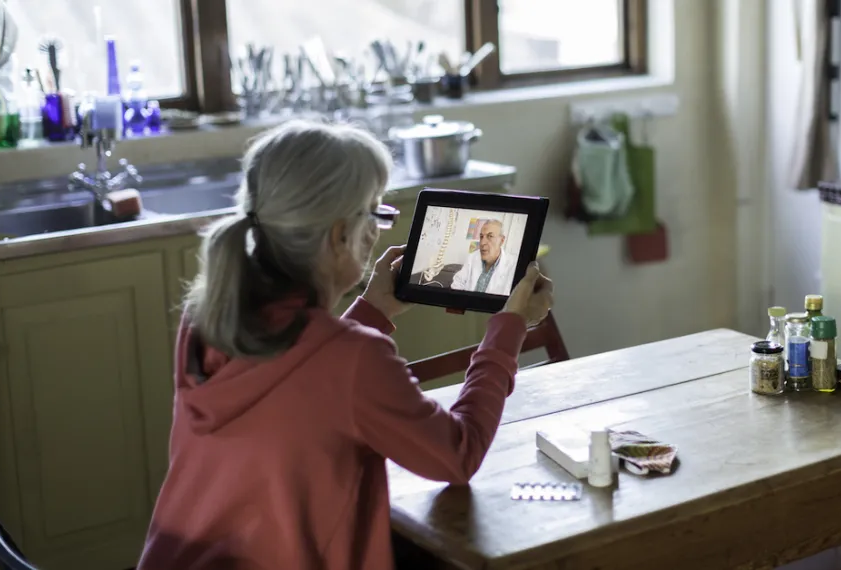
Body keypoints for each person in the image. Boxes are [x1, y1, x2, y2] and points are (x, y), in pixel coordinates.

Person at [135, 120, 553, 570]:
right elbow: (456, 455)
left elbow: (299, 384)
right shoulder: (352, 358)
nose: (379, 228)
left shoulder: (207, 319)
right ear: (339, 236)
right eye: (375, 211)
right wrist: (508, 329)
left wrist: (372, 312)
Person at [450, 219, 518, 295]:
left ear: (501, 241)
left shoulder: (514, 266)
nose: (482, 243)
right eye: (481, 236)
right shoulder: (472, 257)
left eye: (490, 236)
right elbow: (458, 282)